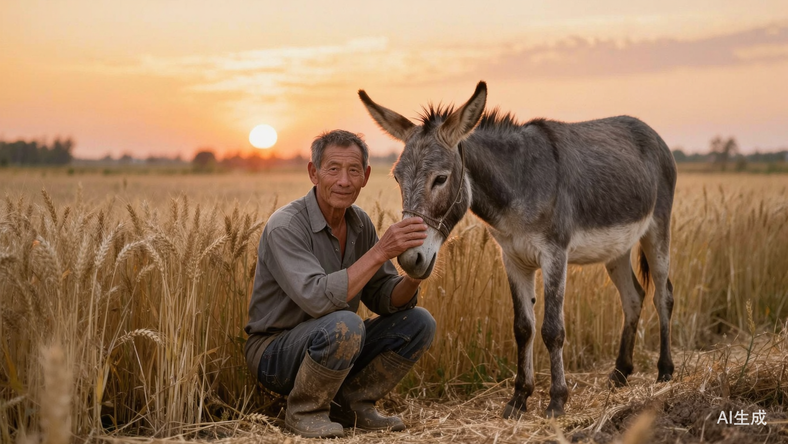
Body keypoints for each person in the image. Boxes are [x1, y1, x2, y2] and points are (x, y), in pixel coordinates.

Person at [244, 129, 436, 438]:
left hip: (337, 343)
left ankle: (353, 405)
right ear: (314, 173)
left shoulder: (359, 223)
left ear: (366, 176)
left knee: (418, 322)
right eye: (333, 169)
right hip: (274, 354)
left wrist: (415, 274)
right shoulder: (286, 226)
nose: (344, 181)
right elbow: (318, 300)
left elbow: (384, 297)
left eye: (353, 170)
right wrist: (382, 250)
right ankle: (305, 410)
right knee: (345, 324)